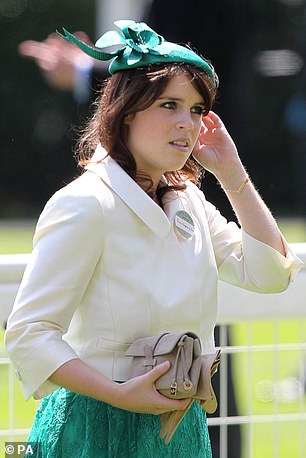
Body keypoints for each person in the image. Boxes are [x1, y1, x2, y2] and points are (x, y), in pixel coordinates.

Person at [5, 19, 302, 458]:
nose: (188, 123)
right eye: (169, 105)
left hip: (183, 428)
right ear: (125, 111)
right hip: (95, 428)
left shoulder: (190, 201)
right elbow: (29, 334)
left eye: (197, 109)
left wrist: (232, 172)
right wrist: (117, 394)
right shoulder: (84, 203)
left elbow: (270, 273)